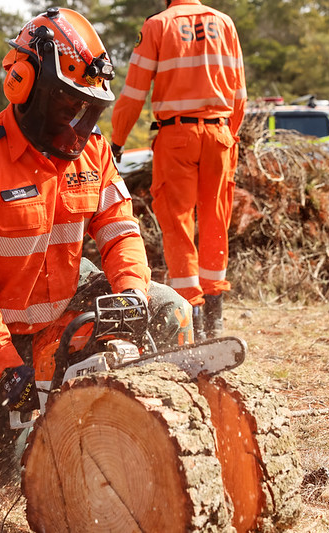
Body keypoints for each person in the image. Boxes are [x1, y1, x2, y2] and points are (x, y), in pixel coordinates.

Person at [0, 7, 193, 478]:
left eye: (88, 110)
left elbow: (118, 227)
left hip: (62, 304)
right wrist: (7, 366)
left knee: (167, 307)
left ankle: (171, 434)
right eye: (68, 106)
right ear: (23, 86)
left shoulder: (91, 152)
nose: (78, 123)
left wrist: (130, 292)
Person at [110, 0, 247, 340]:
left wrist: (117, 141)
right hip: (220, 133)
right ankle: (214, 314)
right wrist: (230, 134)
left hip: (177, 136)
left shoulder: (158, 25)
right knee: (216, 219)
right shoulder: (225, 23)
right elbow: (240, 94)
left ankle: (191, 317)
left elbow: (133, 93)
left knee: (178, 222)